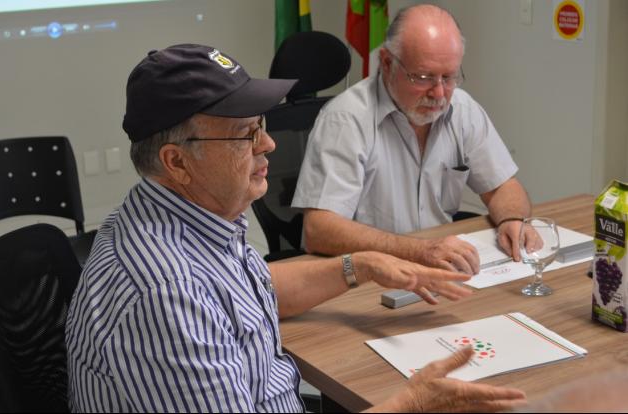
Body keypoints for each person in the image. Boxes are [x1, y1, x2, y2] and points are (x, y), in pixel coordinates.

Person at [65, 43, 526, 412]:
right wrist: (414, 403)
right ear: (177, 161)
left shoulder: (182, 216)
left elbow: (244, 293)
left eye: (260, 124)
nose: (267, 143)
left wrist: (358, 266)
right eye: (245, 133)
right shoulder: (165, 294)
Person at [292, 4, 532, 275]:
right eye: (423, 77)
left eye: (449, 77)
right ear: (386, 62)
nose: (439, 93)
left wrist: (512, 219)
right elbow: (319, 229)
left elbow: (503, 186)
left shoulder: (462, 110)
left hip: (437, 268)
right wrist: (418, 251)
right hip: (366, 275)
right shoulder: (346, 119)